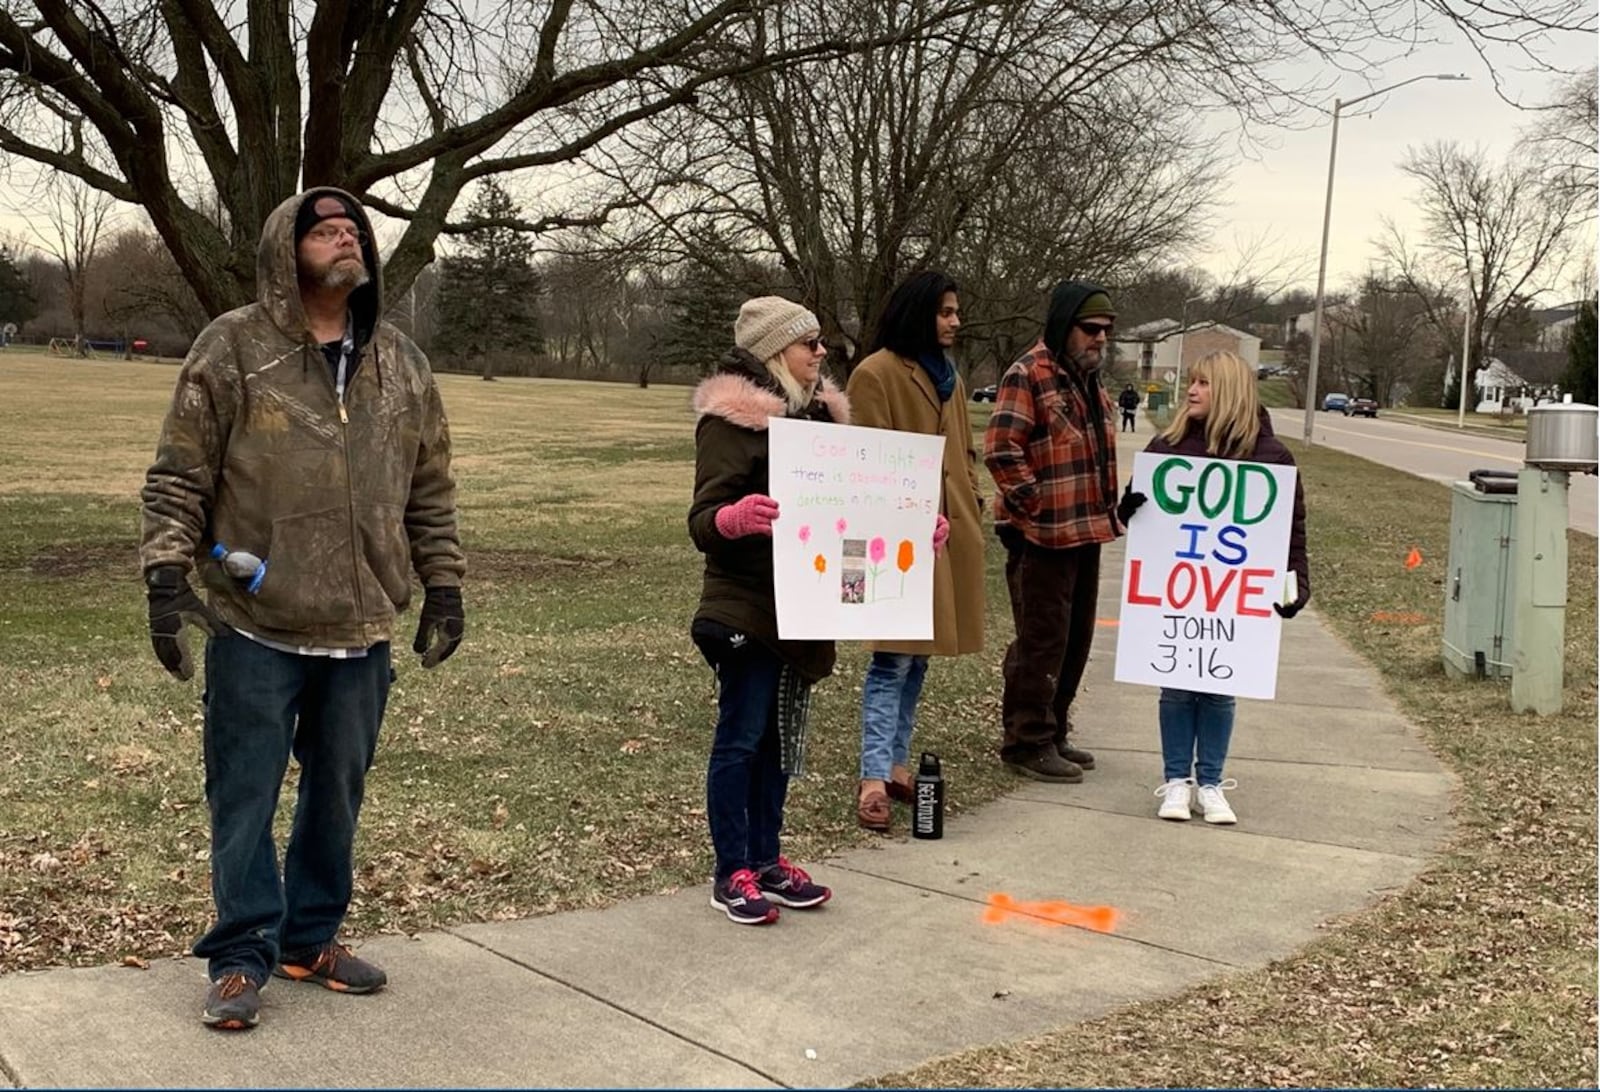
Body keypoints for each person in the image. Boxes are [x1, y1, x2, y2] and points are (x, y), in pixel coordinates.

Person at [140, 189, 465, 1029]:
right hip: (259, 623)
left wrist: (445, 584)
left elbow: (429, 486)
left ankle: (307, 936)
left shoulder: (400, 361)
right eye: (324, 231)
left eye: (353, 229)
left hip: (362, 627)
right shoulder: (234, 346)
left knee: (336, 794)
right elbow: (180, 473)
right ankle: (242, 955)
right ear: (288, 252)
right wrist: (165, 579)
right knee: (243, 793)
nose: (344, 239)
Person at [688, 296, 849, 924]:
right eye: (809, 342)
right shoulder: (732, 422)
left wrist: (914, 533)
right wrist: (733, 518)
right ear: (777, 350)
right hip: (747, 606)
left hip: (803, 608)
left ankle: (767, 860)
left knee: (779, 744)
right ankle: (731, 870)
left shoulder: (824, 424)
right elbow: (703, 519)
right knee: (742, 736)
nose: (820, 353)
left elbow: (854, 508)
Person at [1119, 351, 1310, 824]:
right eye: (1192, 381)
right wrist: (1128, 508)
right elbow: (1136, 519)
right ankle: (1176, 782)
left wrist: (1294, 587)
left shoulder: (1271, 457)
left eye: (1203, 383)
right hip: (1181, 592)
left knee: (1222, 688)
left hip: (1232, 598)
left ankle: (1211, 783)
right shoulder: (1167, 448)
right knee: (1178, 687)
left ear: (1228, 391)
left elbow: (1290, 532)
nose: (1192, 390)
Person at [846, 271, 982, 832]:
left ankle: (897, 762)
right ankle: (872, 775)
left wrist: (973, 498)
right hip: (901, 537)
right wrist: (909, 518)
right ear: (916, 312)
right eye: (945, 311)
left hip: (951, 533)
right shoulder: (875, 373)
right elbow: (869, 462)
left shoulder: (949, 373)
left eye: (956, 311)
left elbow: (963, 450)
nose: (955, 321)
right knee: (892, 658)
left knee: (919, 657)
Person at [983, 281, 1121, 782]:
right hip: (1040, 536)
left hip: (1085, 531)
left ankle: (1054, 729)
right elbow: (1001, 448)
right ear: (1066, 326)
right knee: (1042, 639)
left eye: (1107, 330)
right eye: (1091, 329)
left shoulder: (1088, 382)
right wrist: (1033, 506)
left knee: (1075, 639)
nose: (1100, 338)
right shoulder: (1028, 374)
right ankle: (1026, 740)